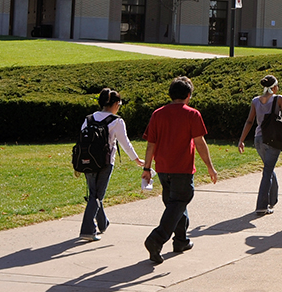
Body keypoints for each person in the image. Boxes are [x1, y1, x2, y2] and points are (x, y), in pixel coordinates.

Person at [142, 76, 218, 265]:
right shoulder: (192, 114)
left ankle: (181, 241)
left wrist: (147, 167)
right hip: (182, 169)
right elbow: (200, 143)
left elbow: (151, 144)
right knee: (179, 201)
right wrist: (210, 167)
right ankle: (156, 239)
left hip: (163, 168)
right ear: (188, 95)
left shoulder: (157, 114)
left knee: (174, 205)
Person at [79, 88, 144, 241]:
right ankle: (88, 230)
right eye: (119, 104)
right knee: (97, 196)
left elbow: (81, 139)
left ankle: (102, 224)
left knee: (93, 192)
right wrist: (136, 159)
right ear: (115, 104)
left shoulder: (88, 118)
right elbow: (125, 143)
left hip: (87, 161)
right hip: (105, 162)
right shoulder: (116, 121)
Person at [237, 75, 282, 215]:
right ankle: (262, 205)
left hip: (258, 139)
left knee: (269, 168)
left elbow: (249, 121)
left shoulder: (255, 101)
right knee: (267, 171)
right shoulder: (279, 99)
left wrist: (241, 140)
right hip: (273, 139)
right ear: (274, 87)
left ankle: (272, 199)